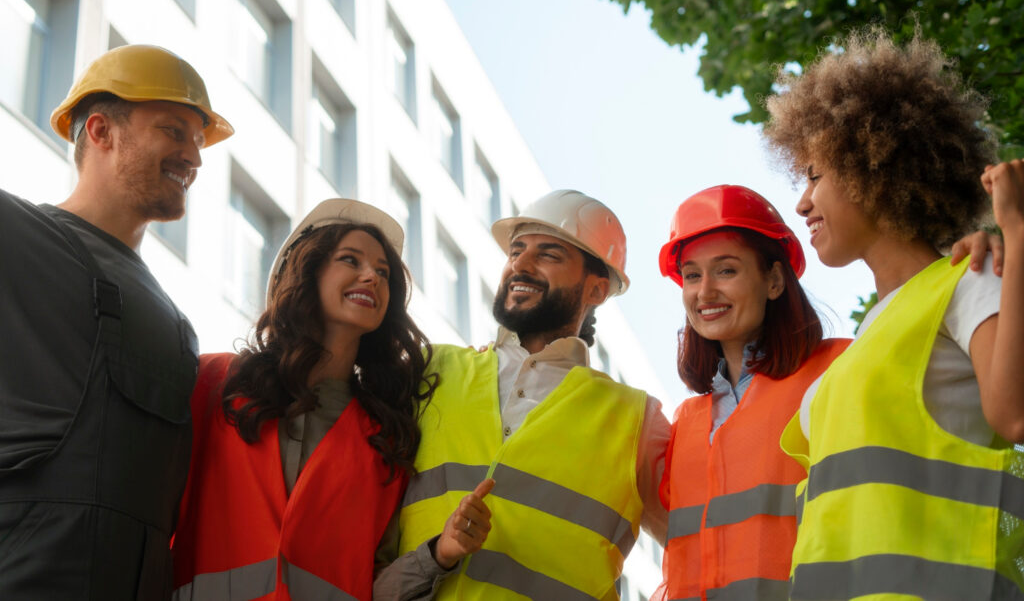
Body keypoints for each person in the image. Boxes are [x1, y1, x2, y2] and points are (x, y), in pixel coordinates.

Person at [763, 27, 1024, 599]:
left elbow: (1015, 416)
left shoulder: (968, 279)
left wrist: (1017, 231)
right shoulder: (866, 343)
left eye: (814, 174)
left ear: (873, 166)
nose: (801, 202)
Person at [0, 44, 232, 599]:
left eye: (198, 142)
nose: (193, 158)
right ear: (101, 130)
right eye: (175, 131)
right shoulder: (14, 235)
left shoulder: (178, 327)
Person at [374, 189, 670, 600]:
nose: (520, 265)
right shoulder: (432, 370)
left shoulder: (636, 417)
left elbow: (699, 545)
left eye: (548, 254)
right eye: (516, 251)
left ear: (597, 291)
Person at [172, 199, 438, 600]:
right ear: (308, 272)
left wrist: (439, 556)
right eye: (351, 260)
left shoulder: (385, 439)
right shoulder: (214, 382)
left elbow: (375, 581)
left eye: (383, 272)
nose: (372, 277)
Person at [655, 185, 849, 601]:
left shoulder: (837, 370)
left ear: (775, 280)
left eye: (726, 270)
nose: (704, 292)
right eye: (692, 275)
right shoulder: (685, 424)